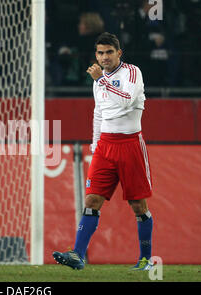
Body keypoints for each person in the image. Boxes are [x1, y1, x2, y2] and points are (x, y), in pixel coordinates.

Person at [53, 32, 153, 271]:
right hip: (105, 147)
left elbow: (127, 100)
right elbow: (99, 113)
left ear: (119, 53)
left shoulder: (132, 72)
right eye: (100, 52)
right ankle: (77, 254)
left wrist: (102, 81)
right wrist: (95, 145)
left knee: (138, 205)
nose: (104, 57)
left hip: (130, 144)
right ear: (96, 55)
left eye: (109, 52)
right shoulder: (99, 80)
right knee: (91, 200)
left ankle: (146, 260)